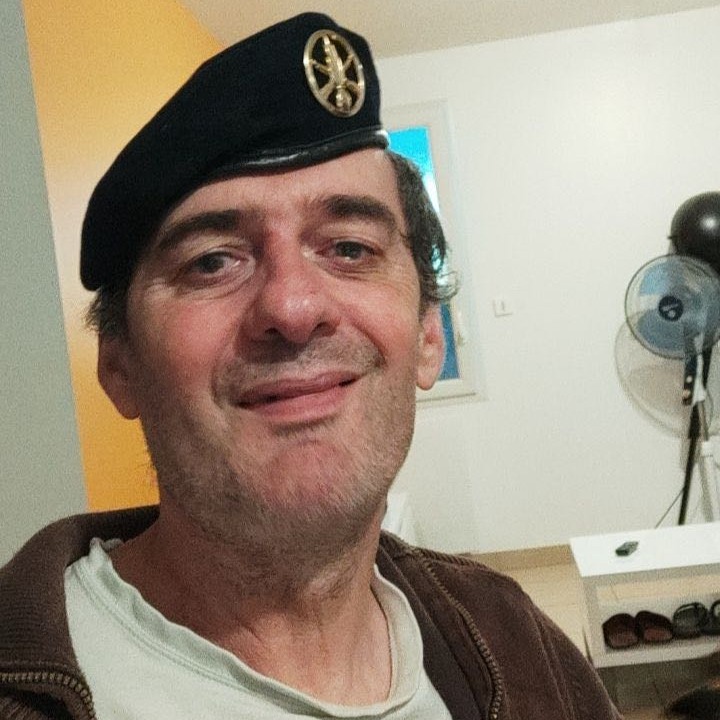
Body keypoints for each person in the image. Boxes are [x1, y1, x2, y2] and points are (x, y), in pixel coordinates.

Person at [0, 13, 621, 719]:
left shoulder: (519, 644)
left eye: (350, 248)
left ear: (428, 333)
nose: (293, 308)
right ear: (120, 365)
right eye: (212, 262)